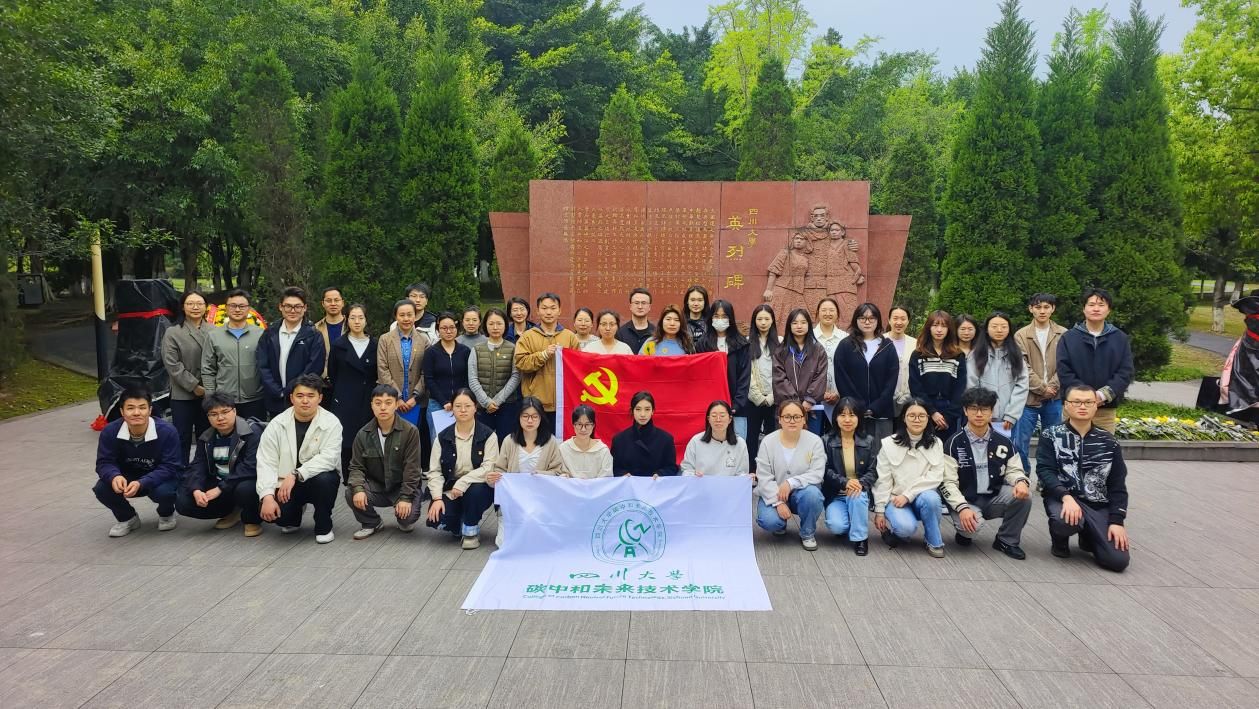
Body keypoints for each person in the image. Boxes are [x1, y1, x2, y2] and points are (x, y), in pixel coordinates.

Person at [1037, 383, 1130, 571]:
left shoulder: (1108, 441)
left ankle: (1088, 535)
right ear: (1066, 405)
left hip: (1097, 504)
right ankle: (1060, 541)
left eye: (1088, 402)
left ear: (1096, 406)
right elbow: (1045, 471)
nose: (1082, 406)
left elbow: (1117, 485)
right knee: (1064, 522)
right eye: (1076, 402)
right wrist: (1065, 496)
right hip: (1063, 499)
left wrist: (1117, 521)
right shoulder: (1051, 435)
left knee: (1118, 561)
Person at [871, 398, 967, 558]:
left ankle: (933, 541)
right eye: (912, 415)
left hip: (922, 498)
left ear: (928, 418)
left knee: (932, 498)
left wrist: (908, 495)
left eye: (922, 416)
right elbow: (883, 479)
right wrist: (880, 510)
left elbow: (935, 476)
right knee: (905, 529)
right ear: (904, 418)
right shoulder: (889, 444)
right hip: (896, 499)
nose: (917, 420)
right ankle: (899, 531)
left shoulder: (936, 443)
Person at [945, 387, 1032, 559]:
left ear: (991, 412)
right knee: (971, 529)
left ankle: (1006, 540)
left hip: (993, 496)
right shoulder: (954, 442)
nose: (979, 414)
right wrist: (962, 508)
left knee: (1024, 497)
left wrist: (1021, 481)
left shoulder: (1004, 441)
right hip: (965, 499)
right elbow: (948, 482)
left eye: (984, 409)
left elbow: (1014, 469)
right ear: (965, 411)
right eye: (973, 409)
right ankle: (964, 532)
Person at [255, 374, 342, 543]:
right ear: (291, 398)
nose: (305, 401)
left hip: (315, 480)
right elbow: (266, 462)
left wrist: (296, 474)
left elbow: (329, 458)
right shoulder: (277, 424)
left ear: (320, 398)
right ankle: (292, 517)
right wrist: (267, 496)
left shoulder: (332, 422)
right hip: (285, 484)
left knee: (326, 479)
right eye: (300, 396)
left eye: (311, 396)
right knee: (277, 516)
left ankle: (323, 525)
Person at [93, 386, 182, 537]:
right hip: (127, 476)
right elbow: (104, 462)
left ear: (150, 410)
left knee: (166, 492)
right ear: (122, 411)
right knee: (102, 488)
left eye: (142, 407)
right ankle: (127, 518)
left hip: (159, 477)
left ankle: (166, 513)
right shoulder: (110, 431)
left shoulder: (167, 431)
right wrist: (114, 476)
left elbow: (171, 466)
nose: (136, 413)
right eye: (130, 408)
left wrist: (143, 482)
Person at [177, 392, 264, 537]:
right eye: (214, 414)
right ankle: (231, 511)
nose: (220, 418)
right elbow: (198, 465)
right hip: (220, 483)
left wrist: (220, 488)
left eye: (225, 412)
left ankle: (252, 518)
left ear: (234, 411)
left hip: (243, 481)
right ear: (208, 417)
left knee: (245, 489)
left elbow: (250, 467)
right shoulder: (206, 437)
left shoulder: (251, 432)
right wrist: (196, 489)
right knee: (183, 501)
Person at [345, 384, 424, 539]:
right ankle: (372, 522)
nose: (383, 407)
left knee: (407, 519)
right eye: (378, 403)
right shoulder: (363, 434)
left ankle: (404, 514)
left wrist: (406, 498)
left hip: (402, 486)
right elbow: (356, 467)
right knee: (351, 492)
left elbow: (412, 469)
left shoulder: (410, 431)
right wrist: (359, 489)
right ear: (372, 405)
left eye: (388, 403)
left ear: (396, 404)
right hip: (377, 487)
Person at [425, 389, 499, 549]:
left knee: (476, 492)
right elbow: (435, 471)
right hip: (451, 489)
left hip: (478, 486)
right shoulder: (442, 437)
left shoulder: (488, 435)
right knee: (437, 519)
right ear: (452, 408)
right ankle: (461, 521)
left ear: (475, 407)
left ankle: (471, 530)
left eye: (467, 406)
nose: (463, 410)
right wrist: (437, 498)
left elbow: (488, 468)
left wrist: (463, 482)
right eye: (458, 406)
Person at [490, 396, 568, 547]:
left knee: (539, 542)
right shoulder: (509, 441)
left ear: (541, 418)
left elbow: (558, 472)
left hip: (541, 500)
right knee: (504, 544)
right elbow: (499, 470)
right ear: (519, 417)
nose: (530, 421)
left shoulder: (551, 441)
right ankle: (504, 519)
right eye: (525, 416)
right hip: (514, 501)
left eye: (534, 416)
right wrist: (493, 478)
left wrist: (542, 474)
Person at [1055, 288, 1134, 433]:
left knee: (1103, 446)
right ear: (1084, 309)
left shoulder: (1120, 338)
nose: (1096, 309)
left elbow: (1125, 372)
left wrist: (1102, 395)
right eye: (1091, 305)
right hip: (1074, 408)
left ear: (1108, 310)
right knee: (1070, 445)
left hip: (1105, 410)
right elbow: (1063, 370)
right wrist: (1085, 397)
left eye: (1101, 305)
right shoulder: (1069, 338)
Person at [753, 400, 826, 550]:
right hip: (774, 492)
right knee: (769, 521)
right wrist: (778, 503)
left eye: (797, 417)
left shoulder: (815, 441)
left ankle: (807, 533)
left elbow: (817, 473)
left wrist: (791, 483)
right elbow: (763, 476)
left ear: (804, 419)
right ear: (779, 419)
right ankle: (780, 523)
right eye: (787, 417)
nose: (792, 421)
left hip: (803, 492)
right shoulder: (768, 441)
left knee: (813, 496)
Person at [833, 303, 899, 452]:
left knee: (882, 453)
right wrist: (859, 406)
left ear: (878, 320)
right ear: (856, 320)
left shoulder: (887, 346)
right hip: (854, 413)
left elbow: (891, 380)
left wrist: (876, 407)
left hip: (882, 413)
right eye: (862, 318)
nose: (867, 322)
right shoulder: (845, 346)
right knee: (857, 453)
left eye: (871, 318)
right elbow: (842, 379)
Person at [1012, 293, 1067, 469]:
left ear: (1053, 309)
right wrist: (1042, 388)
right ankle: (1023, 475)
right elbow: (1022, 366)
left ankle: (1047, 476)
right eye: (1038, 307)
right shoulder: (1021, 335)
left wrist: (1052, 387)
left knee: (1053, 441)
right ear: (1031, 309)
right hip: (1027, 398)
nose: (1042, 311)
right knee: (1020, 441)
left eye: (1046, 307)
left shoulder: (1063, 333)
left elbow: (1066, 364)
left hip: (1054, 398)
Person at [514, 292, 580, 432]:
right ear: (538, 311)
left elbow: (578, 367)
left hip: (563, 402)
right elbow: (520, 363)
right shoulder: (528, 336)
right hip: (536, 402)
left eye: (553, 308)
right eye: (544, 308)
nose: (548, 312)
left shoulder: (569, 337)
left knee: (560, 441)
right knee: (537, 440)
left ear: (560, 310)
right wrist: (543, 355)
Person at [257, 286, 326, 417]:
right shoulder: (270, 333)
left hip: (302, 400)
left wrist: (292, 390)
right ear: (280, 307)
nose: (293, 311)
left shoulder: (313, 335)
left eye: (298, 306)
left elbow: (314, 367)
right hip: (275, 399)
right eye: (288, 306)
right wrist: (276, 391)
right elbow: (262, 365)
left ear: (305, 308)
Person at [821, 397, 876, 555]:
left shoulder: (869, 441)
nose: (847, 420)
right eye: (842, 415)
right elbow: (824, 470)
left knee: (857, 497)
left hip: (858, 491)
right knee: (837, 527)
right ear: (835, 418)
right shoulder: (826, 441)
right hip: (836, 494)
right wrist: (845, 482)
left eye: (852, 415)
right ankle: (851, 522)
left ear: (859, 418)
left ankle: (860, 539)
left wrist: (859, 483)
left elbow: (873, 470)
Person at [327, 304, 377, 476]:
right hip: (345, 399)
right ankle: (349, 479)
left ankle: (368, 479)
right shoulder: (339, 345)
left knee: (368, 440)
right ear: (346, 320)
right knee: (347, 442)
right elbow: (333, 373)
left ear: (366, 320)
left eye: (360, 317)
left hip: (368, 399)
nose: (357, 322)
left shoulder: (375, 344)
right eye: (353, 318)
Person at [202, 289, 267, 421]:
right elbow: (208, 369)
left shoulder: (261, 334)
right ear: (226, 308)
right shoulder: (214, 335)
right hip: (224, 400)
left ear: (249, 308)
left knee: (255, 432)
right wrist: (211, 396)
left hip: (255, 399)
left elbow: (267, 365)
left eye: (242, 306)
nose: (237, 309)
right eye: (233, 306)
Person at [162, 290, 210, 462]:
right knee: (182, 437)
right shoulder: (173, 332)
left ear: (206, 307)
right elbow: (172, 364)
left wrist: (210, 387)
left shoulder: (215, 331)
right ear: (183, 307)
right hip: (183, 394)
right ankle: (180, 471)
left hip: (209, 393)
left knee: (207, 436)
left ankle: (203, 470)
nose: (195, 307)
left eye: (199, 303)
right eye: (190, 303)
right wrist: (194, 386)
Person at [967, 312, 1029, 438]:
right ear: (986, 329)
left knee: (1009, 448)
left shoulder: (1016, 355)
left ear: (1009, 330)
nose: (999, 330)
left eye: (1004, 326)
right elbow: (972, 385)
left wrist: (1011, 415)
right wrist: (984, 413)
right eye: (994, 326)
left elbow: (1022, 385)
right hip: (982, 418)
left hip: (1009, 420)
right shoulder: (976, 355)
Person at [908, 310, 968, 438]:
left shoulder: (957, 355)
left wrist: (948, 417)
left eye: (943, 326)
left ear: (949, 329)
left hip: (950, 410)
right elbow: (915, 386)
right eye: (935, 325)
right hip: (924, 409)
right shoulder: (918, 354)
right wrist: (932, 412)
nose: (939, 330)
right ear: (928, 328)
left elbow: (960, 388)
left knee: (947, 448)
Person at [696, 299, 750, 438]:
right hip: (710, 409)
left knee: (737, 445)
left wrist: (736, 405)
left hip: (736, 410)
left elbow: (745, 378)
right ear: (710, 318)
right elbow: (699, 376)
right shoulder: (702, 344)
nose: (720, 320)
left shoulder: (741, 344)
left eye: (724, 316)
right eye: (716, 316)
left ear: (730, 318)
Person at [467, 307, 521, 441]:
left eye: (499, 323)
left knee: (506, 442)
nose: (495, 327)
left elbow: (516, 376)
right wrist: (486, 402)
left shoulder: (513, 348)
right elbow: (472, 378)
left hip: (507, 405)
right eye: (491, 323)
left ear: (505, 325)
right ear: (485, 325)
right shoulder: (477, 349)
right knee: (482, 442)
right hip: (482, 407)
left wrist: (497, 401)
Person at [773, 308, 828, 433]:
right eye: (795, 323)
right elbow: (779, 378)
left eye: (803, 322)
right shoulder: (781, 350)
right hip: (787, 408)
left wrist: (809, 400)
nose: (799, 326)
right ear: (789, 326)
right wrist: (795, 403)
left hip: (811, 407)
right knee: (787, 441)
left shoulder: (818, 349)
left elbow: (821, 377)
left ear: (809, 325)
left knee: (810, 442)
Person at [377, 299, 428, 428]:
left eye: (409, 315)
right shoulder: (385, 339)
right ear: (396, 317)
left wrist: (415, 397)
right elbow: (383, 369)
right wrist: (397, 397)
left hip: (415, 401)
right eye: (402, 315)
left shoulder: (424, 340)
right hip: (390, 399)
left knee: (412, 435)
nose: (406, 319)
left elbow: (426, 372)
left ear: (415, 316)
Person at [422, 312, 472, 445]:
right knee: (438, 442)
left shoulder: (465, 351)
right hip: (437, 404)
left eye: (452, 327)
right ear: (438, 330)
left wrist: (458, 400)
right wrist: (444, 401)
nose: (448, 331)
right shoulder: (431, 352)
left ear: (457, 328)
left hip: (461, 404)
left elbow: (468, 377)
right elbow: (429, 379)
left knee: (462, 442)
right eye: (444, 328)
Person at [611, 391, 679, 477]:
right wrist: (622, 474)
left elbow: (671, 467)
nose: (642, 414)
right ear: (632, 410)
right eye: (638, 409)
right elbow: (614, 467)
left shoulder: (666, 439)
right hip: (628, 485)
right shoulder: (619, 440)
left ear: (653, 411)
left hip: (655, 484)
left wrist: (660, 474)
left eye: (647, 409)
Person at [746, 304, 780, 471]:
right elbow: (746, 372)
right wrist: (758, 397)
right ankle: (752, 471)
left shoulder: (781, 342)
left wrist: (773, 396)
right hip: (753, 400)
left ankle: (772, 470)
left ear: (772, 320)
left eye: (767, 319)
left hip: (775, 399)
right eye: (759, 319)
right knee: (751, 437)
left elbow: (783, 371)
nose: (763, 322)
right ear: (754, 321)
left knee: (773, 437)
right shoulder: (747, 342)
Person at [680, 400, 750, 477]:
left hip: (730, 485)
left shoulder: (740, 443)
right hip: (701, 484)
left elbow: (742, 474)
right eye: (714, 416)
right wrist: (694, 475)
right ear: (708, 419)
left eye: (722, 416)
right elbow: (686, 470)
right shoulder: (696, 441)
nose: (718, 419)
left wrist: (747, 477)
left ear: (730, 419)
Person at [813, 297, 848, 423]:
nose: (828, 313)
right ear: (817, 313)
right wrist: (818, 393)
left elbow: (849, 369)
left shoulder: (845, 338)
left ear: (837, 314)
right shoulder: (809, 337)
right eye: (824, 310)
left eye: (832, 310)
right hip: (813, 398)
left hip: (839, 396)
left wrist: (838, 393)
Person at [559, 405, 614, 478]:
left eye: (587, 425)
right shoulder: (563, 448)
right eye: (579, 424)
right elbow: (560, 473)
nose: (583, 429)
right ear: (573, 425)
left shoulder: (603, 450)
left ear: (593, 425)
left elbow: (606, 479)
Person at [886, 305, 917, 410]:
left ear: (908, 321)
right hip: (885, 398)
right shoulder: (880, 341)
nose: (899, 322)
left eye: (903, 319)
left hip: (909, 398)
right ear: (889, 320)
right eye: (895, 318)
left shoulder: (915, 344)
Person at [313, 286, 346, 376]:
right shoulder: (315, 329)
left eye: (336, 300)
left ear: (343, 303)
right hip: (323, 380)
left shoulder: (352, 326)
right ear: (323, 304)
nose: (333, 304)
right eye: (328, 301)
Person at [616, 288, 656, 353]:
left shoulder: (656, 333)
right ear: (630, 306)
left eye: (643, 303)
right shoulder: (620, 333)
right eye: (636, 303)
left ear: (649, 307)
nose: (640, 307)